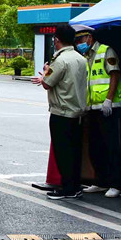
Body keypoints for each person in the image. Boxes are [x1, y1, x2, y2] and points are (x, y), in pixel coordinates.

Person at [33, 25, 89, 199]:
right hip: (78, 111)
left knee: (63, 151)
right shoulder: (81, 58)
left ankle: (67, 188)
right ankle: (75, 185)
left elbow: (48, 83)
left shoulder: (61, 60)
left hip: (62, 112)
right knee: (75, 150)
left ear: (57, 39)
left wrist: (44, 76)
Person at [76, 27, 121, 197]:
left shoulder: (105, 51)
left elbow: (114, 75)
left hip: (108, 107)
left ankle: (115, 183)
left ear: (89, 38)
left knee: (111, 146)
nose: (79, 44)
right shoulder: (85, 56)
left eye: (81, 41)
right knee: (95, 147)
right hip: (92, 108)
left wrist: (109, 100)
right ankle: (100, 181)